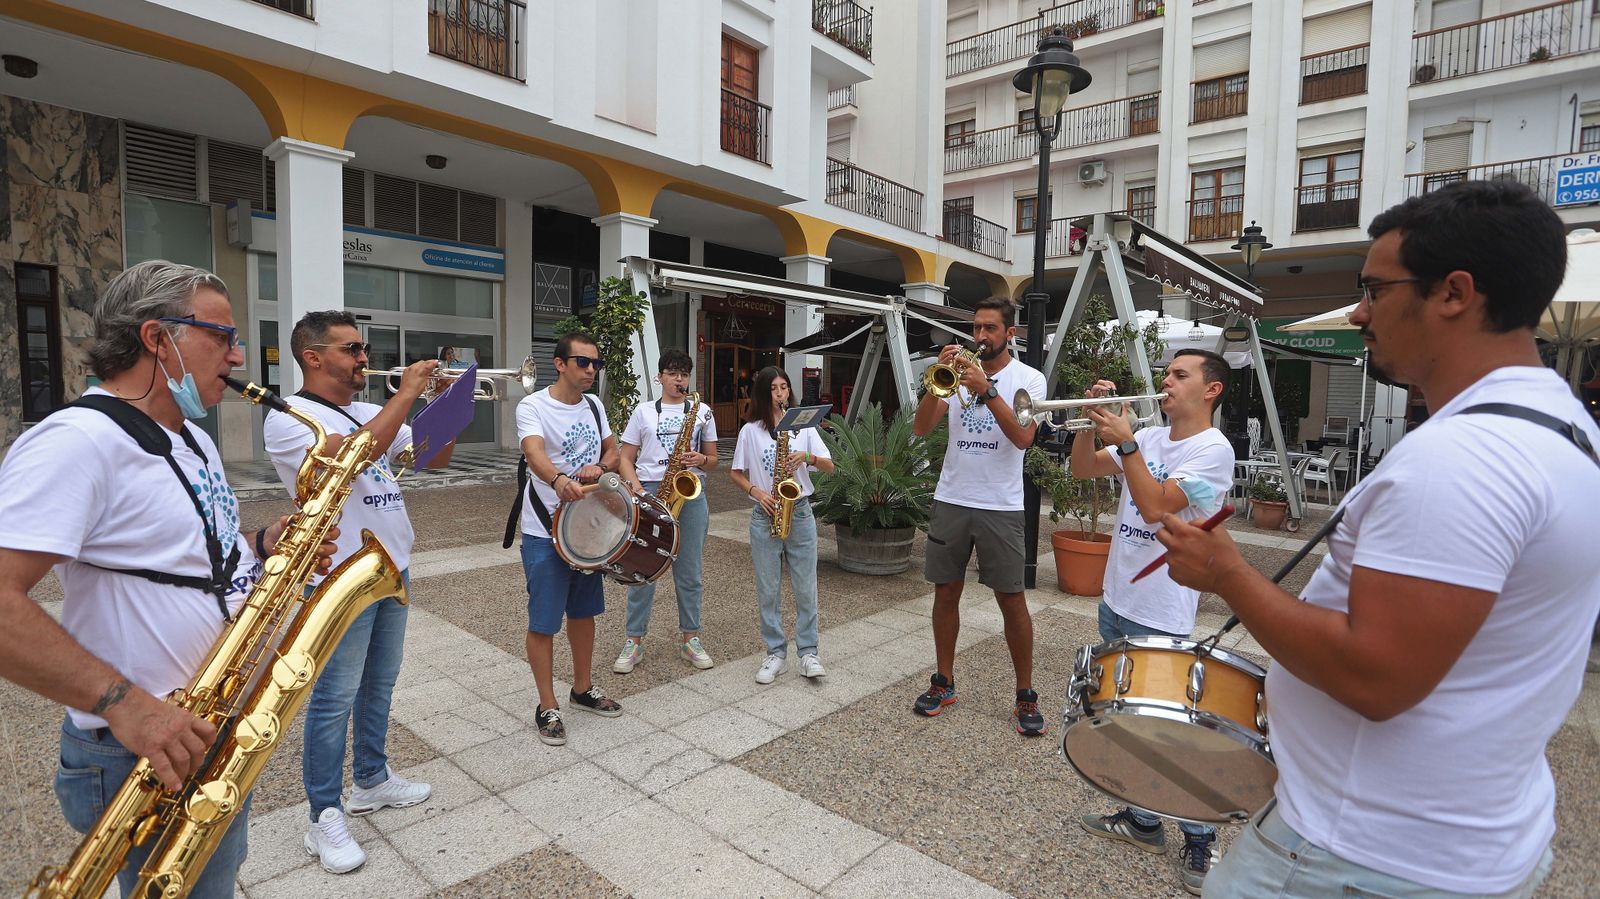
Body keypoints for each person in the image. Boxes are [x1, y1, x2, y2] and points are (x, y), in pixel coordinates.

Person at [1152, 180, 1600, 898]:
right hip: (1463, 834)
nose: (1360, 311)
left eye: (1376, 288)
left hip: (1360, 855)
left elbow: (1376, 676)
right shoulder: (1567, 428)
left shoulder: (1462, 459)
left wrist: (1229, 573)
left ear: (1454, 293)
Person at [0, 261, 332, 899]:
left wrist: (263, 545)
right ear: (158, 337)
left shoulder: (192, 441)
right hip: (140, 749)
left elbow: (189, 552)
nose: (238, 355)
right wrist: (125, 707)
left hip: (205, 725)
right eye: (222, 337)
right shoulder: (75, 441)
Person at [262, 311, 453, 874]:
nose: (364, 359)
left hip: (391, 566)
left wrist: (446, 402)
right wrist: (409, 393)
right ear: (313, 357)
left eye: (364, 348)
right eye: (351, 350)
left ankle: (371, 778)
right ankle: (323, 815)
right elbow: (355, 456)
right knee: (332, 696)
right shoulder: (288, 415)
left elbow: (432, 457)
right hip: (337, 575)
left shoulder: (374, 409)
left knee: (379, 684)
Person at [1068, 349, 1236, 895]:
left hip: (1164, 610)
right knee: (1128, 724)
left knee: (1173, 732)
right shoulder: (1152, 439)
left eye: (1180, 375)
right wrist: (1090, 423)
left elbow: (1159, 505)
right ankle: (1143, 819)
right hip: (1117, 599)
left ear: (1211, 390)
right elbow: (1082, 468)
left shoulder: (1213, 450)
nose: (1166, 382)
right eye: (1166, 373)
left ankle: (1199, 836)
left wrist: (1127, 441)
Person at [910, 297, 1049, 735]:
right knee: (945, 592)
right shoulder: (955, 376)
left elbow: (1024, 437)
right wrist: (940, 382)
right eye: (977, 328)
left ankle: (1025, 694)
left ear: (1011, 333)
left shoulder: (1029, 380)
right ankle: (943, 681)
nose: (981, 337)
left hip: (1002, 505)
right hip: (952, 497)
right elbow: (920, 428)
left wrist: (986, 390)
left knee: (1011, 599)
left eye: (990, 328)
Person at [515, 331, 625, 746]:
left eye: (596, 364)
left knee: (583, 613)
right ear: (560, 364)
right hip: (544, 529)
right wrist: (558, 479)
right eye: (583, 363)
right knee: (544, 620)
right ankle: (547, 705)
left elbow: (614, 453)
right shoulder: (533, 405)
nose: (591, 371)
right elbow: (533, 453)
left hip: (587, 529)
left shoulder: (595, 405)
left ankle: (582, 688)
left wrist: (600, 466)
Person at [613, 349, 718, 674]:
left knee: (690, 572)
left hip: (690, 495)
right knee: (641, 568)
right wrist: (639, 491)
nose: (679, 380)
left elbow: (713, 460)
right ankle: (634, 641)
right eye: (672, 373)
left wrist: (700, 460)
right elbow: (624, 458)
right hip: (651, 493)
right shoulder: (643, 411)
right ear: (659, 377)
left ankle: (691, 638)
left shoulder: (703, 411)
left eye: (684, 374)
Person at [729, 366, 835, 684]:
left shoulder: (803, 427)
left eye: (785, 387)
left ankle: (808, 653)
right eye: (774, 388)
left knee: (806, 588)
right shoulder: (751, 431)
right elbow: (736, 472)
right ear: (763, 393)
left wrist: (808, 457)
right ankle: (775, 653)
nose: (781, 393)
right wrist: (756, 491)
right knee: (768, 590)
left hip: (799, 512)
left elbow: (830, 467)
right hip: (765, 514)